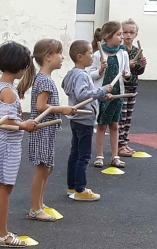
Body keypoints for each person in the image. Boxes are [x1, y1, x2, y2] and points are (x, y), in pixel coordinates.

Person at [0, 41, 36, 246]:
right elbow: (7, 123)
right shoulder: (9, 91)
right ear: (21, 67)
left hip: (1, 144)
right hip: (7, 145)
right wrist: (25, 125)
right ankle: (2, 234)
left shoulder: (1, 86)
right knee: (5, 188)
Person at [27, 39, 74, 221]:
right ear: (48, 57)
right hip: (42, 131)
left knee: (48, 168)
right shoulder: (44, 80)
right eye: (59, 53)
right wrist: (62, 109)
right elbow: (41, 106)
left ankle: (39, 203)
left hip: (48, 131)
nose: (62, 57)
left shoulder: (44, 78)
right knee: (42, 169)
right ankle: (34, 208)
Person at [62, 40, 113, 201]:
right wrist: (102, 90)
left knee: (75, 153)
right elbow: (82, 94)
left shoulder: (72, 73)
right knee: (83, 156)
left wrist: (99, 94)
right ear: (80, 57)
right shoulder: (82, 75)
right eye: (90, 53)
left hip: (77, 119)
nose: (93, 56)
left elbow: (70, 88)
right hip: (84, 119)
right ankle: (80, 189)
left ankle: (72, 186)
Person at [89, 21, 130, 168]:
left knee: (115, 125)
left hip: (117, 95)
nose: (122, 37)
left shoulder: (122, 53)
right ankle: (99, 156)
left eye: (122, 34)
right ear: (107, 36)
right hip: (102, 94)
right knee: (101, 125)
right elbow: (89, 74)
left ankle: (115, 156)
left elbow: (126, 72)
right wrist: (100, 71)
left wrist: (126, 74)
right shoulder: (97, 54)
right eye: (119, 34)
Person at [118, 18, 147, 157]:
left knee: (128, 117)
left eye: (131, 32)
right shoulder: (120, 50)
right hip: (122, 87)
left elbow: (139, 72)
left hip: (133, 86)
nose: (128, 35)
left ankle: (125, 142)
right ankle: (119, 145)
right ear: (121, 34)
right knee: (121, 117)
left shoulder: (137, 50)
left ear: (136, 34)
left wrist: (142, 64)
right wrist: (127, 66)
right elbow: (119, 70)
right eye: (125, 32)